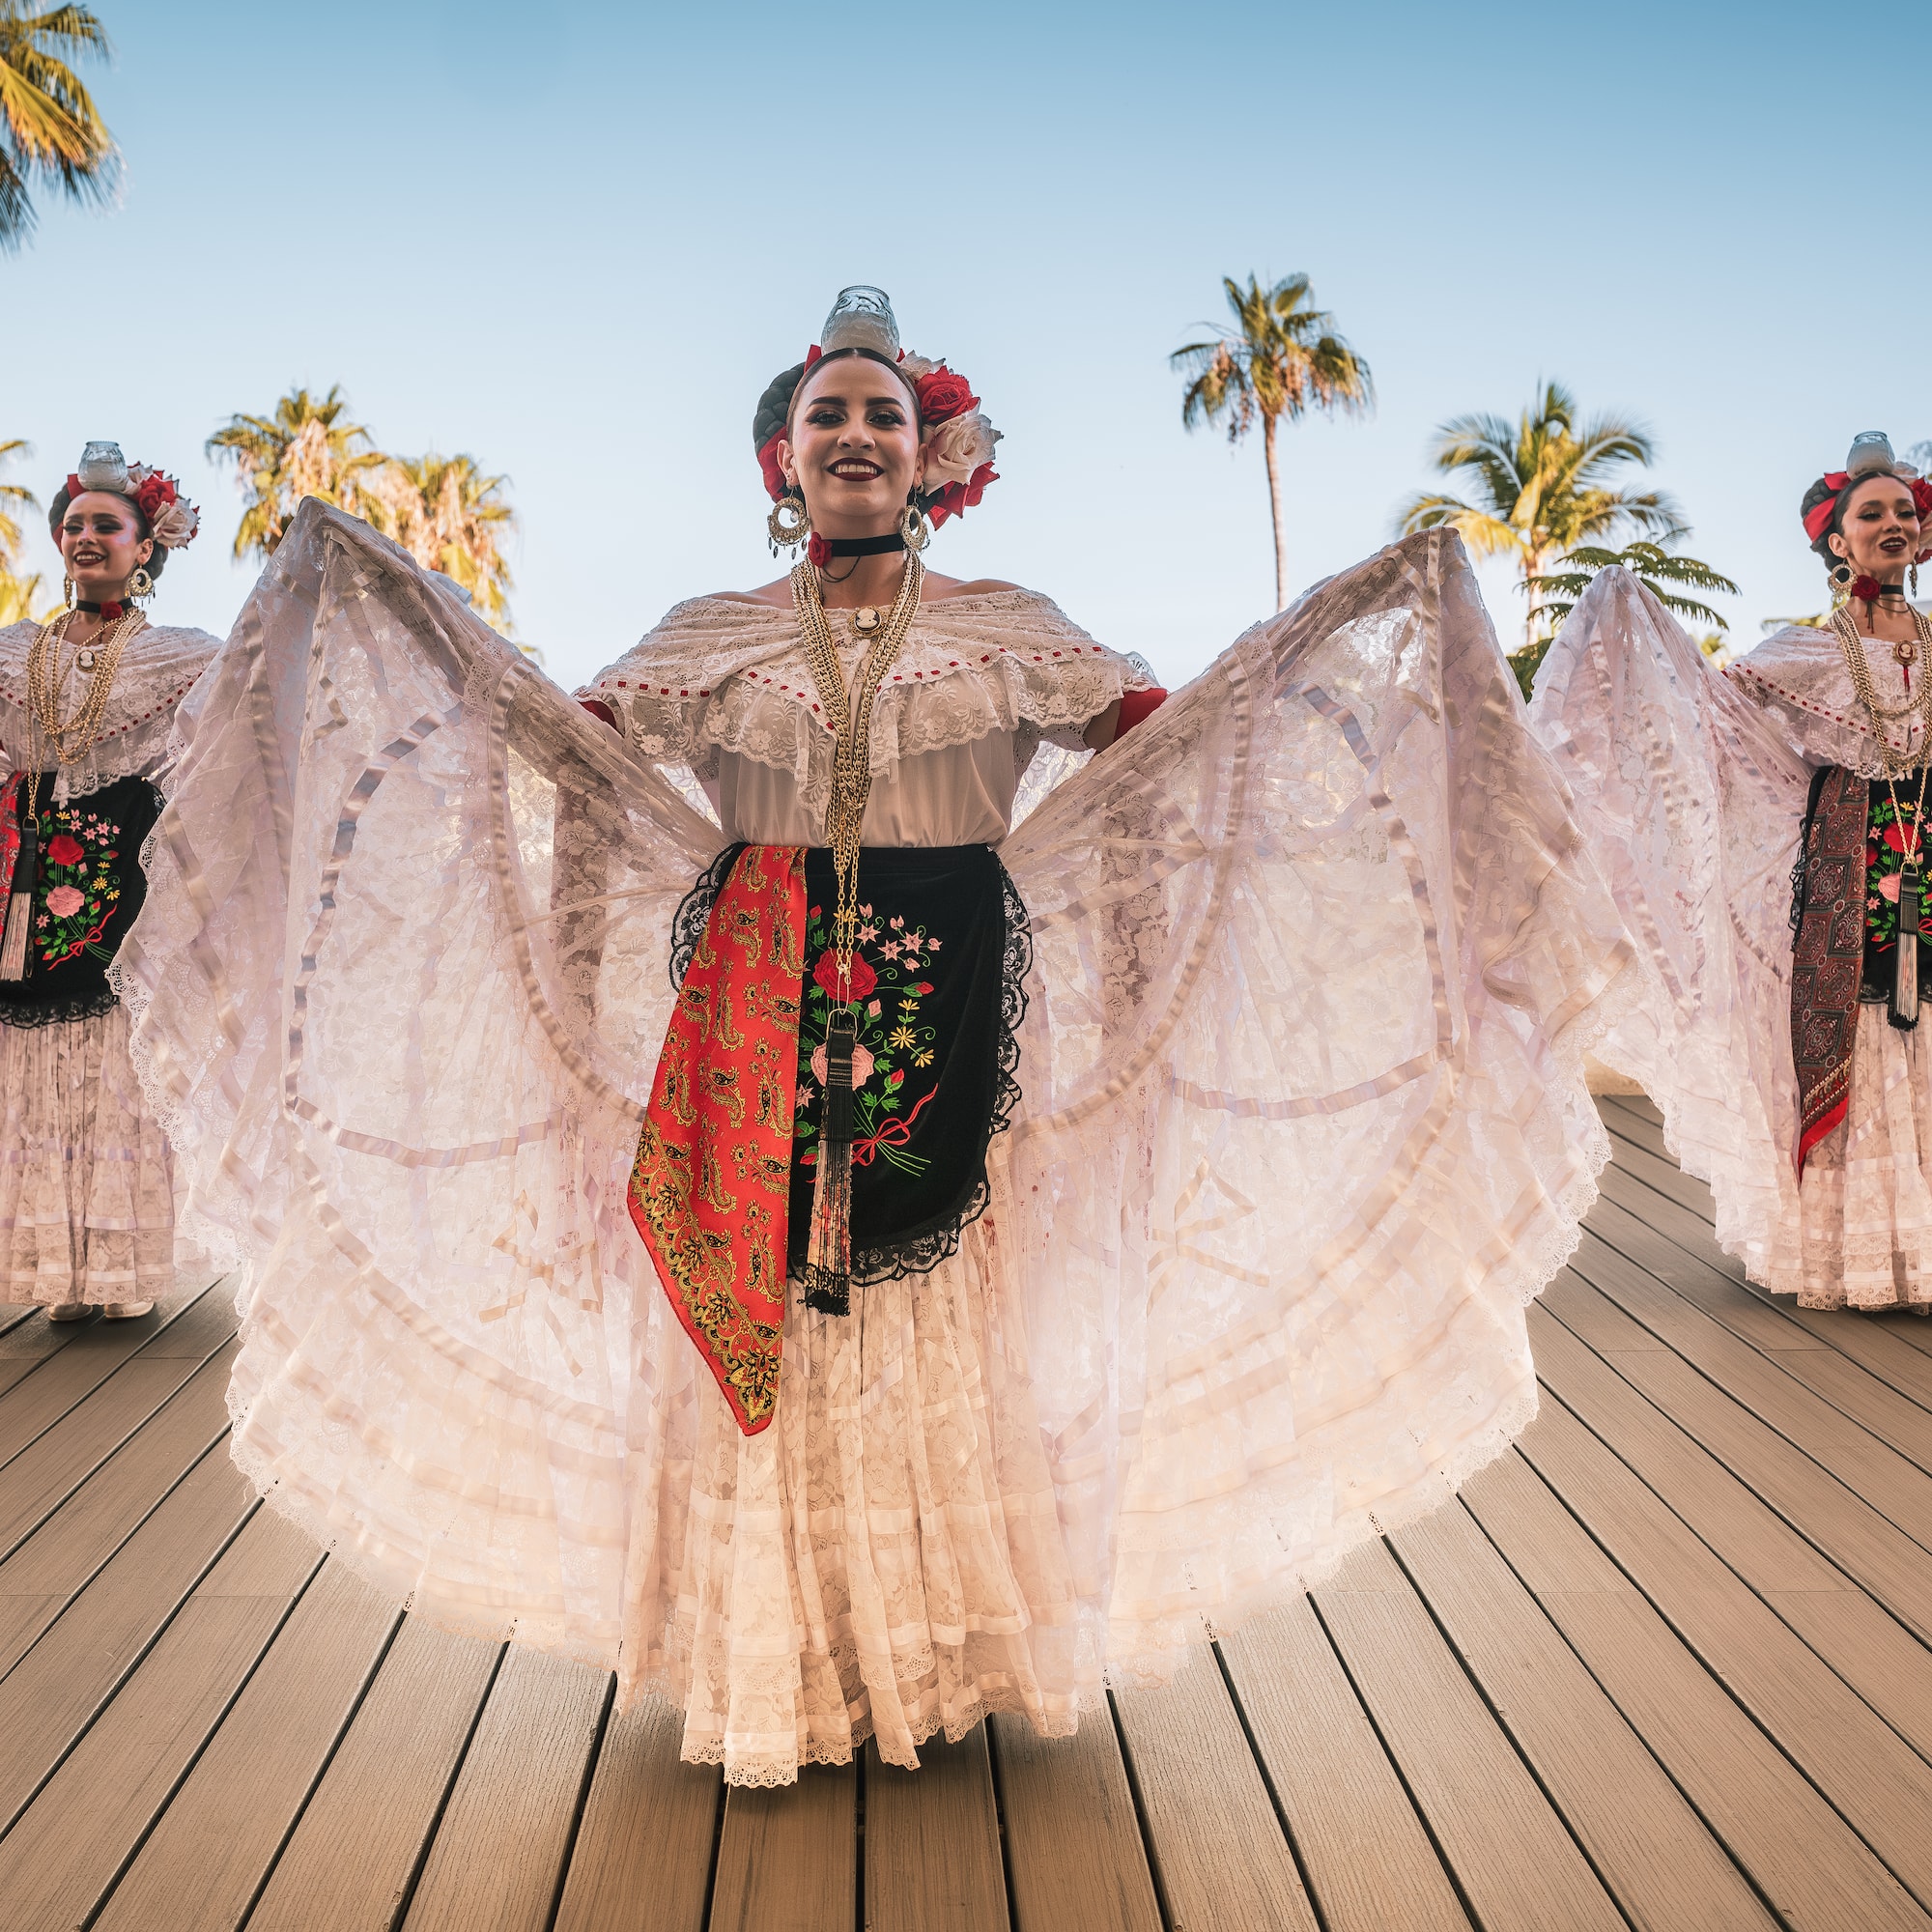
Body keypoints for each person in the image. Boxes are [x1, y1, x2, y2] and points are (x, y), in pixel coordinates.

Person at [118, 289, 1632, 1785]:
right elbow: (557, 754)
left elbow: (1173, 752)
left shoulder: (1009, 631)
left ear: (934, 455)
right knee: (765, 1294)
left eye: (883, 414)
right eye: (827, 413)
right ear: (784, 459)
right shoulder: (708, 636)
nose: (854, 434)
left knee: (934, 1307)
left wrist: (1328, 639)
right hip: (746, 1000)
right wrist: (421, 640)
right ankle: (760, 1649)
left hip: (955, 987)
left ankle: (937, 1652)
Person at [1530, 430, 1932, 1311]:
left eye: (1907, 511)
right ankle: (1853, 1259)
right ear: (1838, 541)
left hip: (1927, 854)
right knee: (1865, 1039)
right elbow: (1710, 720)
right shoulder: (1806, 654)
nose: (1894, 523)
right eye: (1874, 514)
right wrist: (1637, 634)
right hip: (1845, 869)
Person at [0, 443, 213, 1322]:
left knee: (109, 1062)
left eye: (107, 525)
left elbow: (238, 730)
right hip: (25, 875)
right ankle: (57, 1275)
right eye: (74, 524)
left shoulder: (175, 658)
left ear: (144, 547)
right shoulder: (16, 655)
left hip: (121, 873)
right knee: (30, 1054)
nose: (86, 537)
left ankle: (115, 1278)